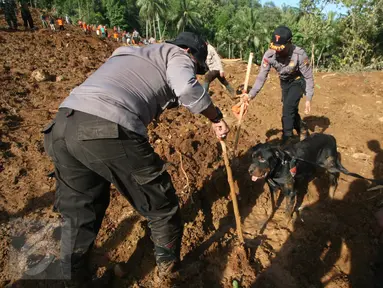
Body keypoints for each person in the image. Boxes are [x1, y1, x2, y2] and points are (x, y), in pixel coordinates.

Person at [43, 31, 229, 287]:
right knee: (162, 207)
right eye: (196, 68)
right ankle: (169, 276)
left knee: (80, 210)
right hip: (107, 128)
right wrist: (216, 116)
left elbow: (159, 90)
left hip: (62, 125)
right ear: (189, 53)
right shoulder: (177, 54)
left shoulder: (130, 51)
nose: (194, 71)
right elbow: (186, 88)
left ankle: (75, 282)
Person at [233, 26, 314, 145]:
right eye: (275, 48)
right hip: (285, 82)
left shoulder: (299, 54)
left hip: (298, 81)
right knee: (290, 108)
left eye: (280, 48)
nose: (277, 51)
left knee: (287, 109)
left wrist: (308, 98)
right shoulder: (269, 55)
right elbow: (261, 77)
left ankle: (287, 138)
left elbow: (308, 77)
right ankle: (302, 128)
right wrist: (250, 95)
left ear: (289, 43)